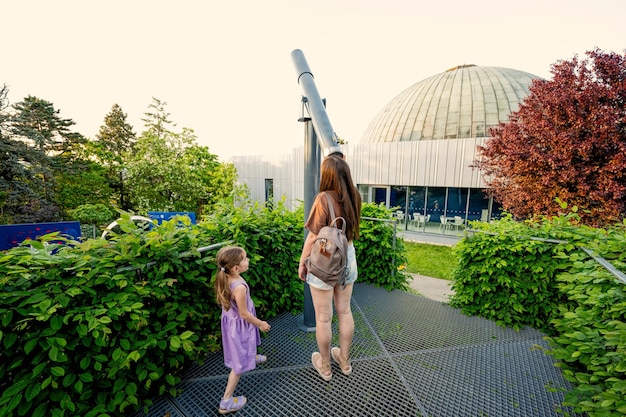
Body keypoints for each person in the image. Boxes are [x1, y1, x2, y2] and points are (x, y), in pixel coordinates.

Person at [298, 154, 362, 381]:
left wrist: (303, 262)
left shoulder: (323, 199)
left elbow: (313, 236)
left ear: (326, 176)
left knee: (323, 318)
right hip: (348, 256)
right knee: (344, 311)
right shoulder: (355, 196)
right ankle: (344, 360)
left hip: (325, 260)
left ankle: (325, 366)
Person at [214, 245, 271, 414]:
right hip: (240, 325)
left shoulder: (225, 278)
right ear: (236, 267)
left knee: (246, 343)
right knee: (238, 366)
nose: (249, 260)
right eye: (245, 258)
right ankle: (226, 401)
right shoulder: (239, 287)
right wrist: (260, 323)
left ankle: (251, 355)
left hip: (233, 323)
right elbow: (244, 314)